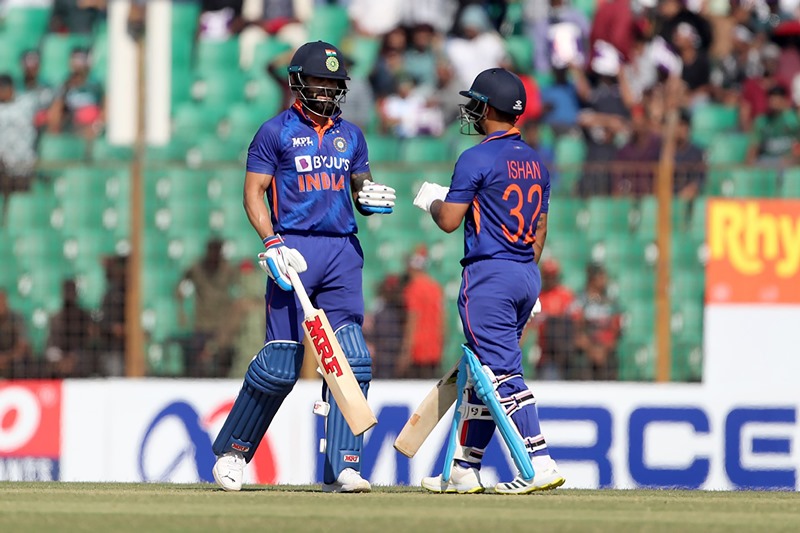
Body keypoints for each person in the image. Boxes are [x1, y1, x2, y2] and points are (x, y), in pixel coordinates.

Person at [211, 40, 395, 493]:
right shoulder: (274, 132)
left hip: (343, 251)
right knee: (280, 362)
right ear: (298, 82)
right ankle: (233, 453)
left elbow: (361, 187)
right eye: (318, 80)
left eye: (334, 83)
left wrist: (369, 198)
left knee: (351, 359)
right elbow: (253, 193)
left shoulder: (352, 136)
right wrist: (271, 242)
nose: (327, 89)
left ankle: (343, 465)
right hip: (293, 248)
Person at [412, 67, 564, 494]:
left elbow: (449, 221)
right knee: (483, 372)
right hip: (524, 273)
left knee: (501, 373)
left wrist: (433, 200)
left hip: (488, 278)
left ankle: (540, 462)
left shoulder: (475, 158)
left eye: (476, 103)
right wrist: (524, 275)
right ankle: (465, 466)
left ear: (489, 108)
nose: (472, 111)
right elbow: (540, 231)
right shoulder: (537, 161)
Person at [176, 238, 239, 378]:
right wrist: (181, 310)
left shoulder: (228, 269)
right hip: (202, 322)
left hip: (221, 323)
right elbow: (181, 285)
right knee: (199, 360)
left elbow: (240, 289)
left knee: (222, 358)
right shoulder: (197, 268)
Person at [395, 246, 444, 379]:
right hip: (434, 351)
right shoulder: (435, 287)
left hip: (417, 352)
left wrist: (405, 352)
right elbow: (442, 321)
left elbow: (413, 320)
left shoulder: (413, 288)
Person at [570, 263, 622, 380]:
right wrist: (591, 349)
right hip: (586, 352)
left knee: (610, 363)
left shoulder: (611, 301)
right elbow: (576, 330)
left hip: (606, 352)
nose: (605, 279)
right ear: (592, 278)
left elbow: (616, 330)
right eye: (601, 276)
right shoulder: (579, 300)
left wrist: (604, 349)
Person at [45, 279, 97, 378]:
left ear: (76, 293)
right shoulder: (55, 317)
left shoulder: (84, 316)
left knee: (87, 358)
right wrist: (61, 359)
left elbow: (89, 341)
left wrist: (73, 357)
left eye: (71, 291)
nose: (69, 295)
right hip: (60, 355)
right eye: (66, 291)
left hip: (79, 355)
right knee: (50, 357)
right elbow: (51, 344)